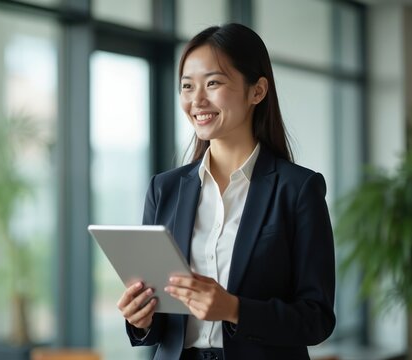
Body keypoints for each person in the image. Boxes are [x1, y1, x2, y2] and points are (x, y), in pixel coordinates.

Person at [116, 23, 336, 360]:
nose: (197, 99)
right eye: (187, 86)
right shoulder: (165, 189)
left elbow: (316, 319)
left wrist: (234, 309)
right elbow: (160, 323)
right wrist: (141, 319)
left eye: (213, 83)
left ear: (257, 91)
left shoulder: (298, 189)